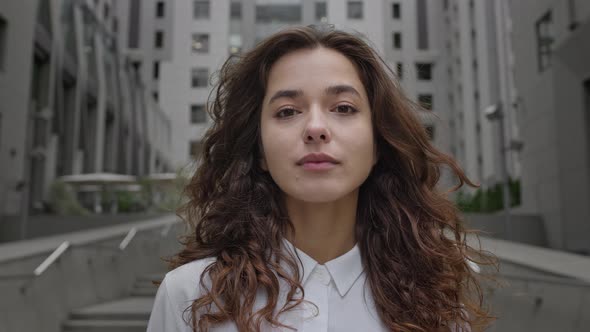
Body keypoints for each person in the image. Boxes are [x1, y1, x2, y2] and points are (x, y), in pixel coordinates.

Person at [147, 25, 495, 332]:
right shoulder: (190, 296)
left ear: (377, 144)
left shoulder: (436, 304)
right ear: (260, 152)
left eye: (343, 108)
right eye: (287, 111)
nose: (315, 128)